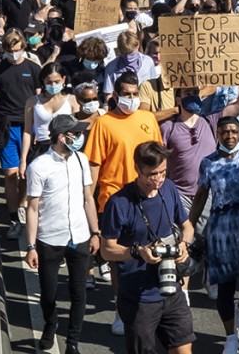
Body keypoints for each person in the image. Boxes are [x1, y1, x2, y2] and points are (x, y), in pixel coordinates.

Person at [86, 72, 165, 335]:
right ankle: (122, 309)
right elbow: (94, 167)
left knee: (151, 252)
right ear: (115, 96)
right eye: (126, 94)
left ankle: (152, 307)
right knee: (120, 259)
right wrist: (88, 203)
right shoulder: (103, 123)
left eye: (135, 94)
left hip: (148, 198)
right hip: (114, 199)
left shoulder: (148, 119)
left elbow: (158, 158)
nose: (131, 99)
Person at [99, 142, 196, 354]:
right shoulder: (119, 203)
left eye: (163, 172)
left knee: (183, 350)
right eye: (152, 175)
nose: (159, 179)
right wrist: (137, 252)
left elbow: (187, 226)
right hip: (139, 298)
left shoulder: (169, 188)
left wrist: (184, 245)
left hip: (171, 288)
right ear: (137, 169)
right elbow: (106, 250)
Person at [24, 114, 100, 354]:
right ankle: (50, 323)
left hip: (79, 236)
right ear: (61, 137)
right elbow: (33, 208)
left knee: (79, 293)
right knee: (48, 292)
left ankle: (72, 342)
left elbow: (88, 198)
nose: (79, 138)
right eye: (75, 134)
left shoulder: (81, 160)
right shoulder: (39, 167)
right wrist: (31, 246)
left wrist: (95, 231)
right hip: (50, 239)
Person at [189, 115, 239, 354]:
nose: (229, 136)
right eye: (224, 132)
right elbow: (200, 197)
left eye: (233, 131)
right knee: (225, 287)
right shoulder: (208, 162)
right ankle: (230, 337)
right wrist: (189, 226)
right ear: (217, 134)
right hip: (221, 231)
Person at [0, 28, 42, 239]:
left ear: (22, 47)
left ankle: (23, 204)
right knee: (11, 174)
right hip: (6, 126)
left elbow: (40, 100)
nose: (13, 54)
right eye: (9, 50)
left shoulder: (33, 69)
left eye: (16, 50)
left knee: (26, 174)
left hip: (29, 127)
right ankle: (13, 216)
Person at [21, 63, 79, 169]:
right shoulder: (33, 102)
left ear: (64, 80)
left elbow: (77, 129)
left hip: (64, 148)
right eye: (49, 82)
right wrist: (23, 160)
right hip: (41, 148)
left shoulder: (72, 100)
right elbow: (27, 131)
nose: (53, 85)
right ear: (43, 81)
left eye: (57, 81)